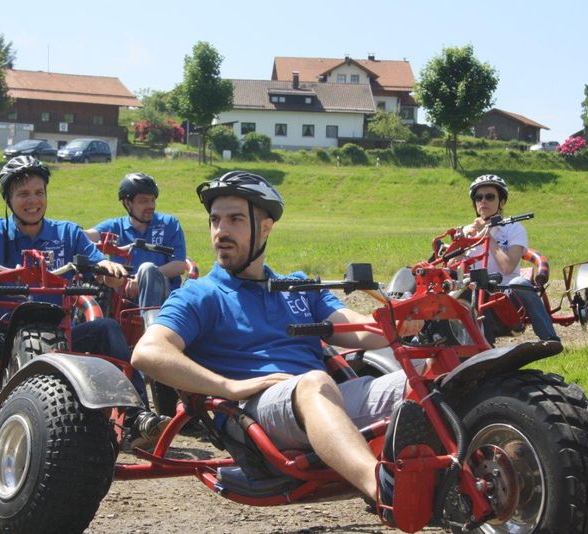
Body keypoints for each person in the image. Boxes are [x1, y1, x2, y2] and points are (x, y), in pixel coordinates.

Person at [132, 170, 420, 507]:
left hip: (325, 404)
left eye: (235, 219)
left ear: (265, 227)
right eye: (215, 220)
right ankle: (383, 489)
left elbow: (358, 329)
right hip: (253, 415)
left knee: (429, 375)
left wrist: (409, 319)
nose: (221, 231)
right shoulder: (200, 294)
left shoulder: (298, 286)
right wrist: (228, 387)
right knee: (313, 382)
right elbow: (148, 353)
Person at [0, 156, 169, 451]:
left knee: (108, 328)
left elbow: (97, 259)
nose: (33, 201)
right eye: (23, 194)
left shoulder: (67, 234)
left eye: (39, 193)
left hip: (62, 336)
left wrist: (108, 269)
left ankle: (136, 418)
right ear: (9, 199)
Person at [462, 174, 559, 342]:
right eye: (478, 197)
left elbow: (507, 267)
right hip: (475, 292)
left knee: (519, 283)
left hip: (507, 294)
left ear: (502, 202)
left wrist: (488, 237)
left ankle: (550, 340)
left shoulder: (514, 229)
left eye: (490, 196)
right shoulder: (466, 232)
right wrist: (462, 243)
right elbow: (452, 268)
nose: (483, 201)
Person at [85, 173, 187, 325]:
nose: (151, 206)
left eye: (153, 200)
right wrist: (69, 234)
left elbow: (179, 265)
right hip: (122, 297)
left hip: (164, 299)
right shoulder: (115, 226)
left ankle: (151, 331)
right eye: (144, 201)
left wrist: (142, 277)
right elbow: (86, 236)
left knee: (147, 269)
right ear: (128, 203)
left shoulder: (168, 223)